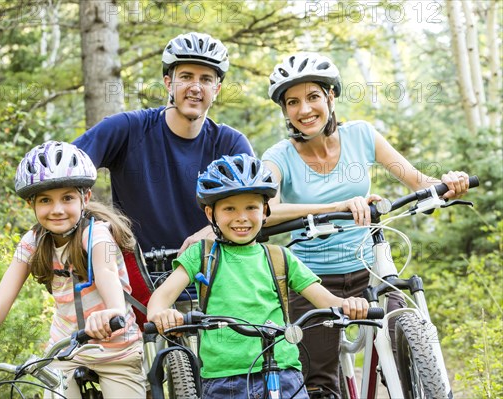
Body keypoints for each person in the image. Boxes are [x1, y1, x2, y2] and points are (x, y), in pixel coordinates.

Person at [262, 52, 470, 398]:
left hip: (369, 270)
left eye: (313, 97)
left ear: (331, 96)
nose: (304, 110)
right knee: (318, 384)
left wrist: (447, 183)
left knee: (407, 331)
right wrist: (337, 205)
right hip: (311, 280)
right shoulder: (277, 156)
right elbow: (265, 210)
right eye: (293, 102)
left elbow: (419, 182)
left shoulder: (361, 134)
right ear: (285, 111)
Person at [147, 154, 370, 399]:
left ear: (265, 211)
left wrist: (350, 305)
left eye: (251, 207)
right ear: (211, 214)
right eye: (230, 208)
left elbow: (326, 301)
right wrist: (163, 314)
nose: (241, 217)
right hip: (224, 380)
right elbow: (161, 297)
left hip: (284, 374)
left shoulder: (280, 257)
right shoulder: (201, 255)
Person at [0, 141, 146, 398]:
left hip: (116, 351)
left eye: (67, 198)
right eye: (45, 200)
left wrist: (113, 311)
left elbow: (107, 273)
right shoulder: (32, 242)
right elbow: (0, 300)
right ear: (31, 204)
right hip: (66, 350)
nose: (56, 209)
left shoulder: (97, 234)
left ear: (85, 198)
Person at [73, 32, 254, 257]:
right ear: (168, 83)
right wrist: (96, 223)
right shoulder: (128, 129)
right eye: (186, 77)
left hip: (210, 273)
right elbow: (63, 171)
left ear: (216, 90)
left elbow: (256, 209)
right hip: (135, 278)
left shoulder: (230, 143)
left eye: (206, 79)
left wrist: (212, 230)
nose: (196, 87)